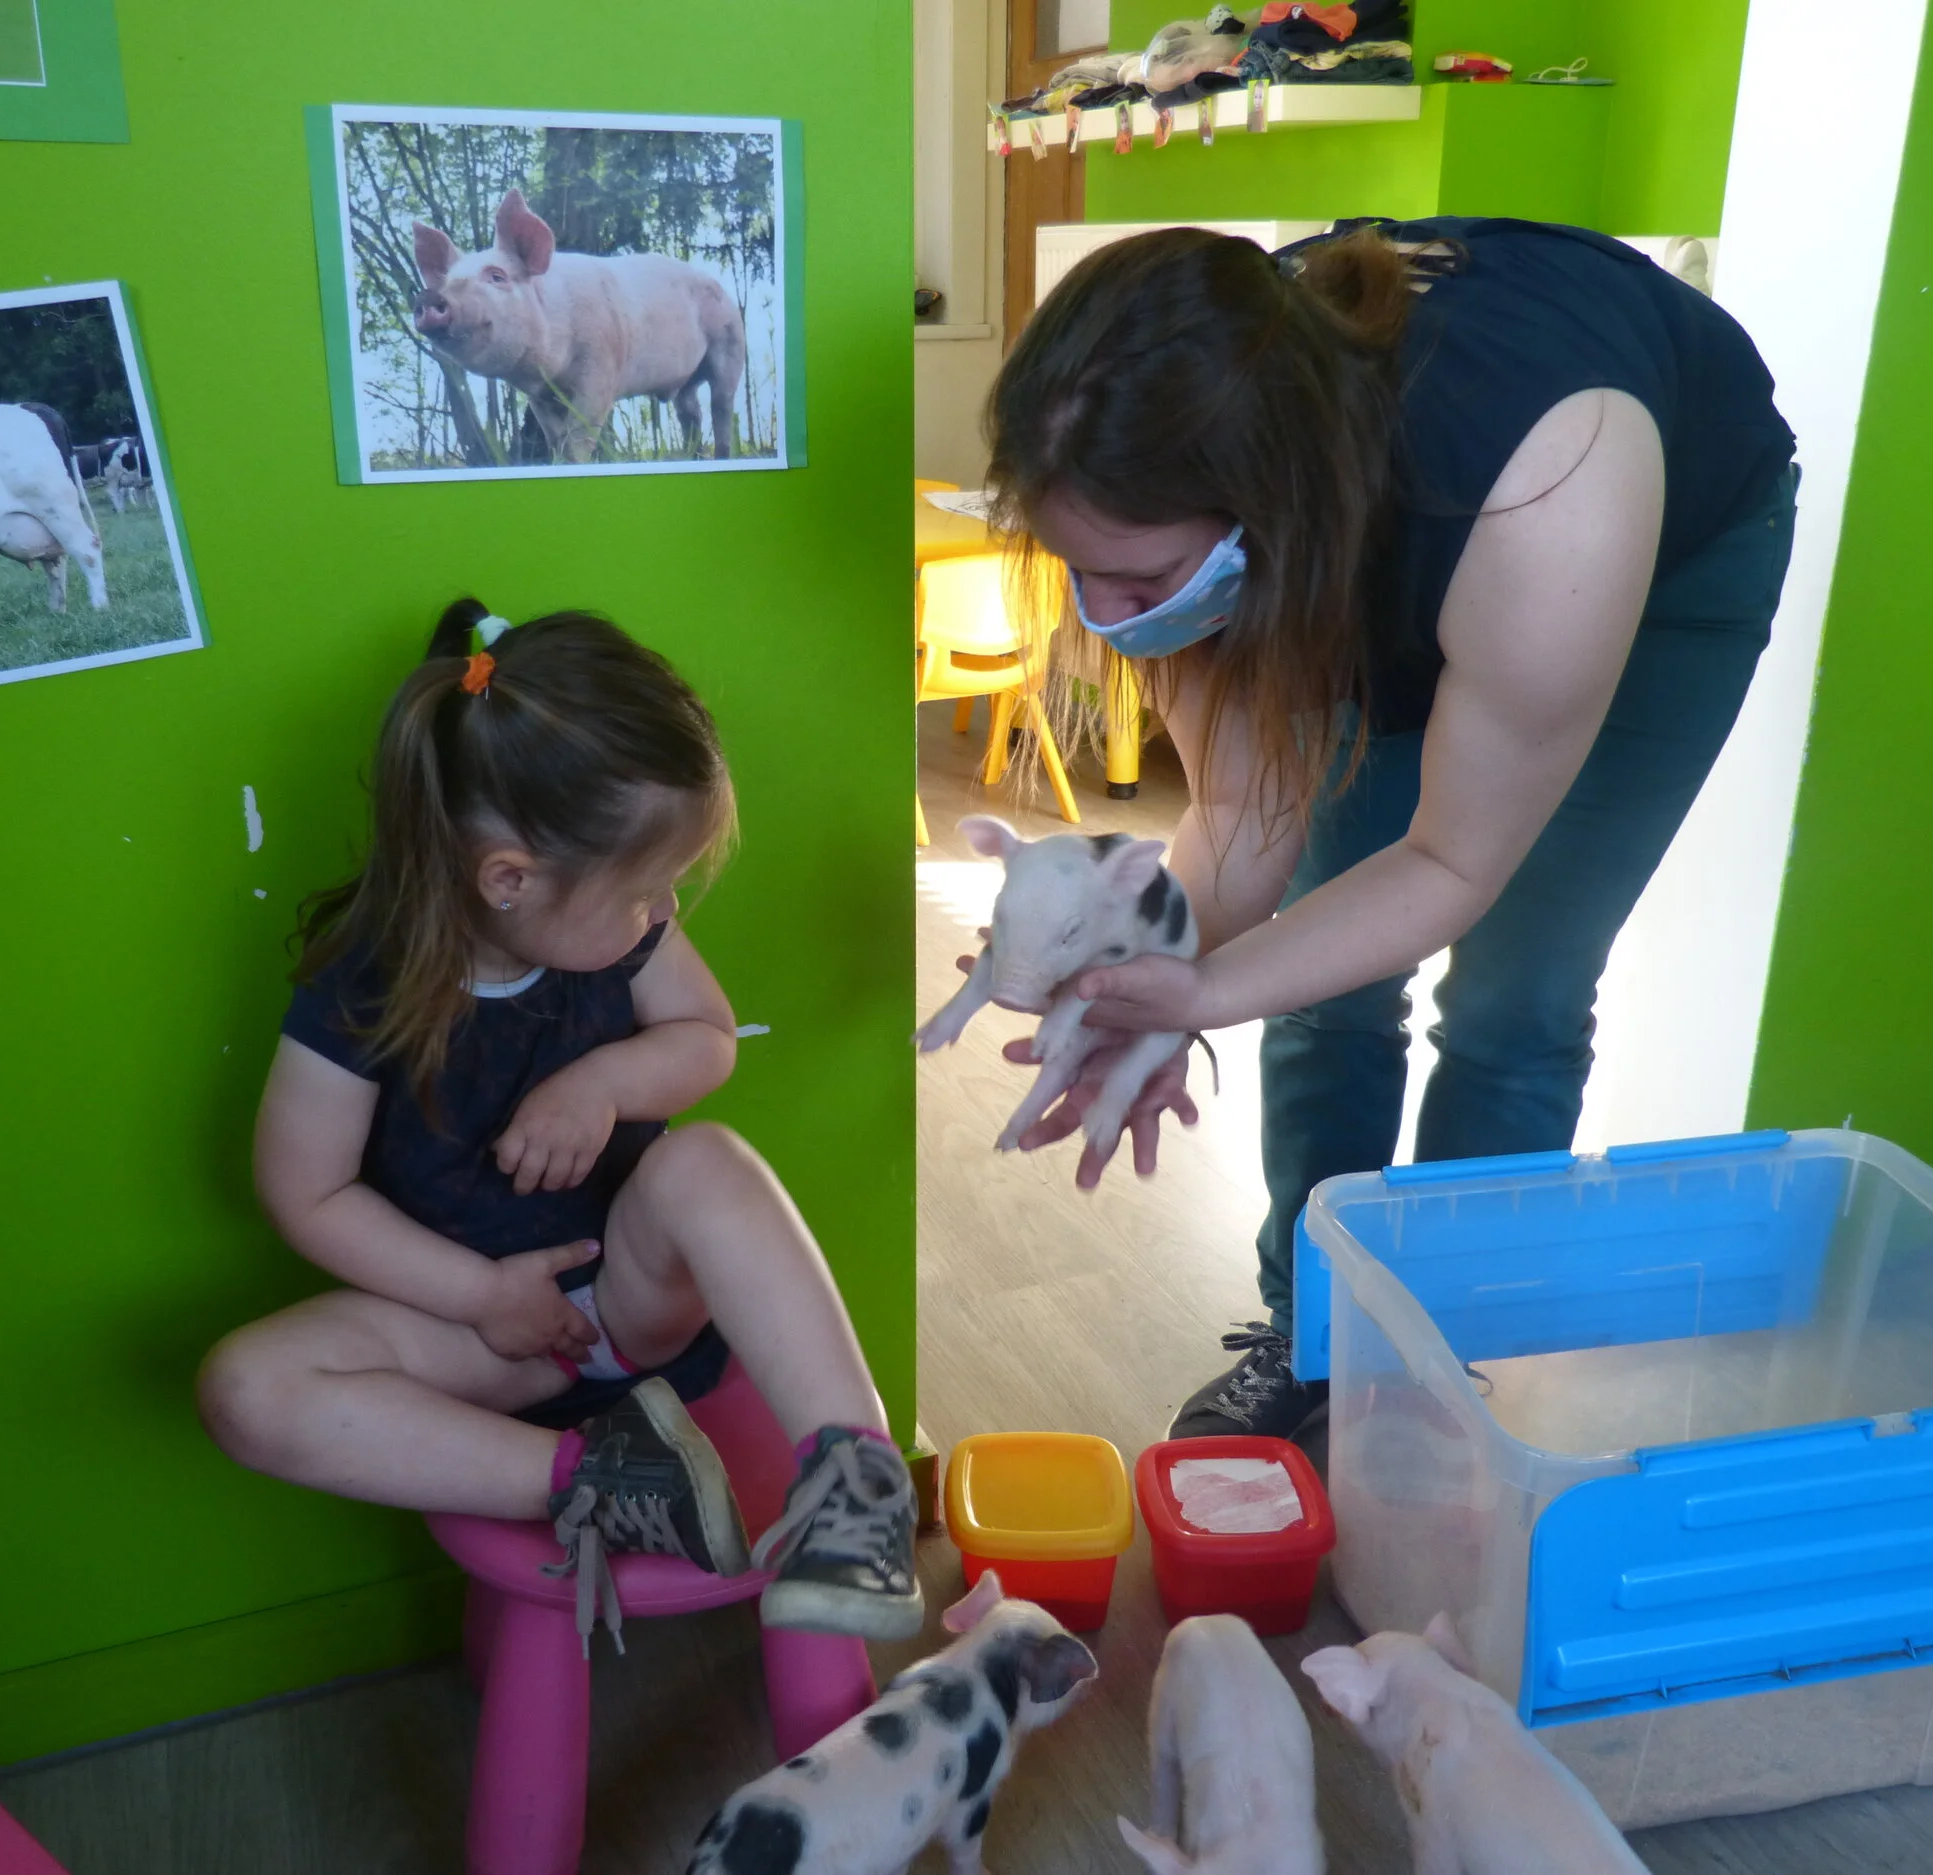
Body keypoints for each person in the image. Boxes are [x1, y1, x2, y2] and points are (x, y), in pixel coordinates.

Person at [980, 218, 1798, 1443]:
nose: (1106, 617)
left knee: (1518, 993)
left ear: (1266, 512)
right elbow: (1241, 821)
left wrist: (1204, 994)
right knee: (1326, 976)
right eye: (1075, 570)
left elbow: (1452, 861)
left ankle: (1433, 1367)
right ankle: (1312, 1334)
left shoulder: (1546, 487)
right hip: (1391, 535)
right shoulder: (1166, 470)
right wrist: (1135, 976)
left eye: (1140, 587)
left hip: (1654, 557)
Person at [198, 600, 920, 1645]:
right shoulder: (362, 983)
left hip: (631, 1300)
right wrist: (483, 1296)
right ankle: (609, 1480)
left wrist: (607, 1081)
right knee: (245, 1388)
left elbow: (708, 1038)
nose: (662, 911)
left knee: (708, 1160)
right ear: (509, 879)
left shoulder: (622, 937)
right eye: (644, 892)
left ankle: (856, 1479)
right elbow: (303, 1190)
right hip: (471, 1339)